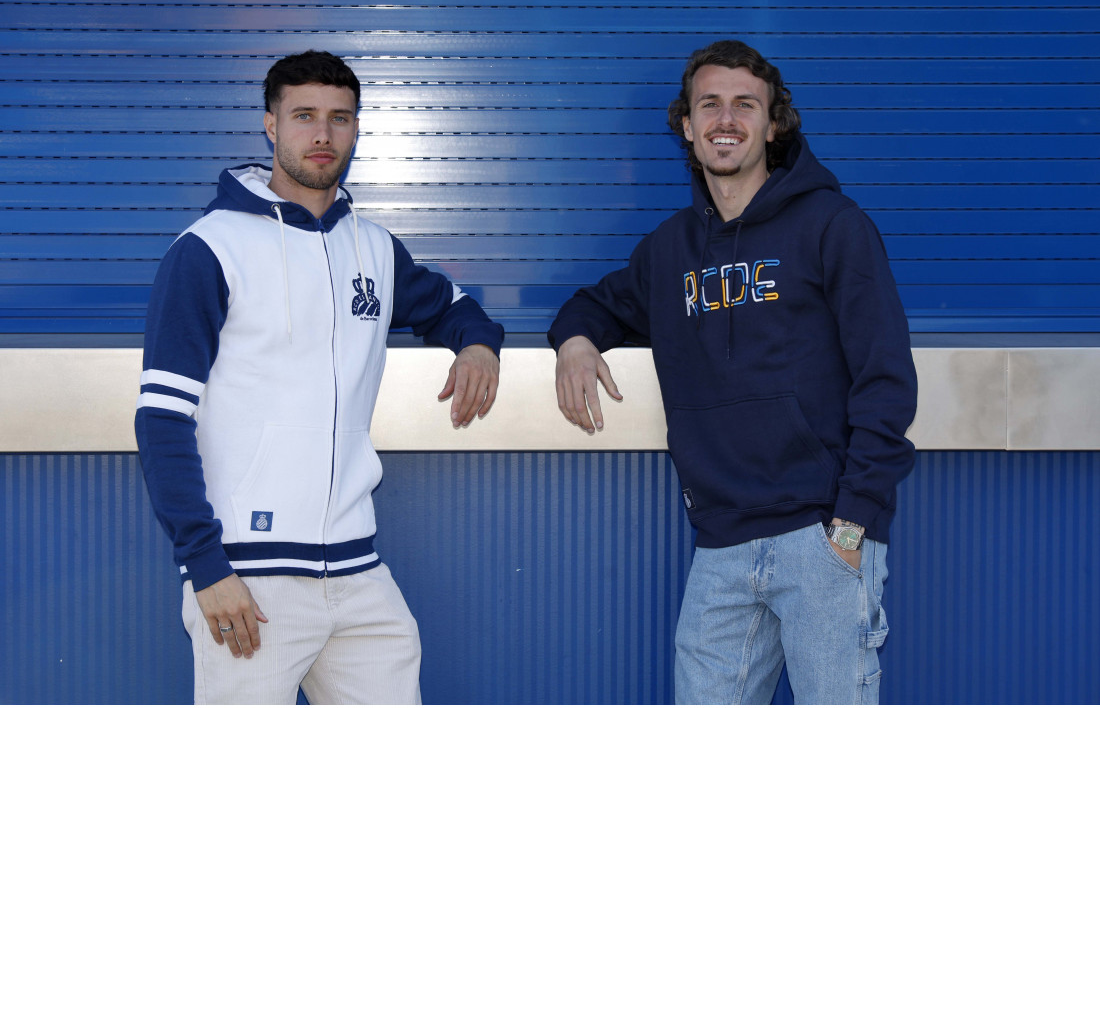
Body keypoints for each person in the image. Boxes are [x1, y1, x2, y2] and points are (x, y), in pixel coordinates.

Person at [549, 39, 918, 705]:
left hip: (821, 538)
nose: (726, 119)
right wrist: (575, 342)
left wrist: (851, 524)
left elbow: (885, 378)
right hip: (721, 546)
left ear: (773, 124)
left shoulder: (833, 226)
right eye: (709, 105)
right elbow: (592, 304)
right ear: (687, 126)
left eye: (745, 105)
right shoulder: (669, 251)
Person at [136, 50, 504, 704]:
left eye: (340, 118)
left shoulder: (374, 248)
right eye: (304, 115)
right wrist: (206, 565)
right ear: (271, 125)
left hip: (358, 573)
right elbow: (162, 418)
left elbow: (451, 306)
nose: (323, 133)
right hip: (248, 577)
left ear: (357, 129)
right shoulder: (209, 249)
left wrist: (477, 345)